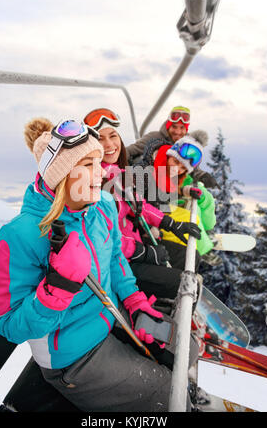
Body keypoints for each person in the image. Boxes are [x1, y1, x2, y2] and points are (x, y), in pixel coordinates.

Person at [0, 117, 180, 412]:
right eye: (87, 165)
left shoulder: (102, 206)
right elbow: (8, 325)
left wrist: (135, 302)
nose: (101, 172)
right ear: (61, 174)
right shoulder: (21, 235)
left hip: (112, 319)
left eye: (98, 163)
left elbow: (116, 259)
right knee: (168, 393)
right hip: (73, 357)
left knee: (181, 351)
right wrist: (57, 288)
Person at [83, 108, 202, 300]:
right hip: (119, 261)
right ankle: (163, 307)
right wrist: (143, 252)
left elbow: (139, 203)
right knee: (182, 282)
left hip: (136, 241)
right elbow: (103, 240)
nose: (109, 144)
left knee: (190, 257)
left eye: (113, 136)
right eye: (100, 139)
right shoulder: (94, 184)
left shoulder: (118, 173)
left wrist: (170, 224)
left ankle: (165, 298)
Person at [137, 131, 217, 260]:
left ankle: (201, 245)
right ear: (170, 155)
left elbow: (163, 194)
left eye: (183, 168)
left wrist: (184, 191)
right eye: (175, 161)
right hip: (146, 219)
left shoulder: (169, 172)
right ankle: (199, 252)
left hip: (158, 210)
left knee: (191, 216)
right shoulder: (147, 169)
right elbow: (138, 202)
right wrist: (149, 227)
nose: (177, 169)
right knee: (187, 219)